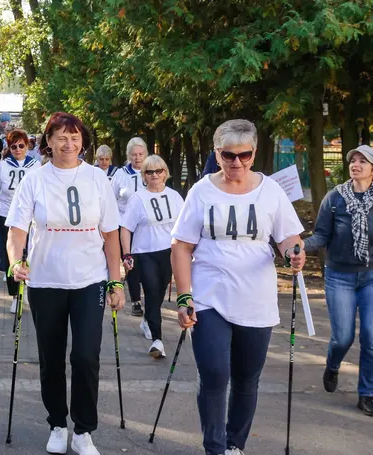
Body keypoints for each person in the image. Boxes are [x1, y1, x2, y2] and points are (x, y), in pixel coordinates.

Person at [171, 119, 306, 455]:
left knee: (247, 378)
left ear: (254, 152)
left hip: (255, 297)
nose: (236, 163)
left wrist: (293, 252)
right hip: (209, 294)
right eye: (228, 155)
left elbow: (288, 236)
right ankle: (214, 447)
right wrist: (184, 295)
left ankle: (235, 444)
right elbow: (181, 246)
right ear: (217, 154)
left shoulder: (271, 190)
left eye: (244, 155)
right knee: (215, 373)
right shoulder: (201, 190)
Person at [6, 112, 124, 455]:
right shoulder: (35, 179)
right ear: (48, 142)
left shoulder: (97, 179)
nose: (68, 143)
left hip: (89, 279)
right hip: (46, 281)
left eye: (74, 137)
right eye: (60, 137)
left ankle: (83, 430)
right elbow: (16, 230)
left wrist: (115, 282)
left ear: (83, 141)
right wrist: (16, 261)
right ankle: (58, 423)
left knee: (86, 356)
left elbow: (111, 235)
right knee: (51, 358)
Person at [303, 144, 373, 417]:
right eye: (352, 160)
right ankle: (333, 365)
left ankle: (367, 393)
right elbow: (321, 236)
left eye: (362, 161)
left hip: (370, 277)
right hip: (339, 276)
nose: (355, 165)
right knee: (342, 338)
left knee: (371, 337)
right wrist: (300, 245)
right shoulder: (334, 199)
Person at [120, 155, 183, 357]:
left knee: (159, 293)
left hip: (169, 252)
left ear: (165, 173)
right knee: (152, 291)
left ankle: (148, 320)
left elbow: (184, 226)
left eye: (158, 171)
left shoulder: (174, 197)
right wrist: (126, 254)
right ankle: (157, 340)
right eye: (149, 172)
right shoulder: (137, 199)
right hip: (144, 253)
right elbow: (125, 228)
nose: (154, 175)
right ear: (143, 176)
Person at [0, 129, 41, 313]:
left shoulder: (36, 165)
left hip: (30, 217)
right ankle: (15, 296)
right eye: (13, 146)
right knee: (12, 256)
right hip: (7, 215)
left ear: (27, 146)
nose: (17, 149)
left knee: (30, 253)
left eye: (21, 145)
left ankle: (28, 290)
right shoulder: (3, 165)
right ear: (9, 148)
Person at [111, 137, 147, 317]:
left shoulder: (152, 171)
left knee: (145, 262)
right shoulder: (121, 174)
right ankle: (135, 300)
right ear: (129, 156)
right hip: (125, 224)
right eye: (134, 155)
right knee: (130, 261)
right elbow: (111, 198)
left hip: (147, 226)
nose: (138, 158)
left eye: (141, 154)